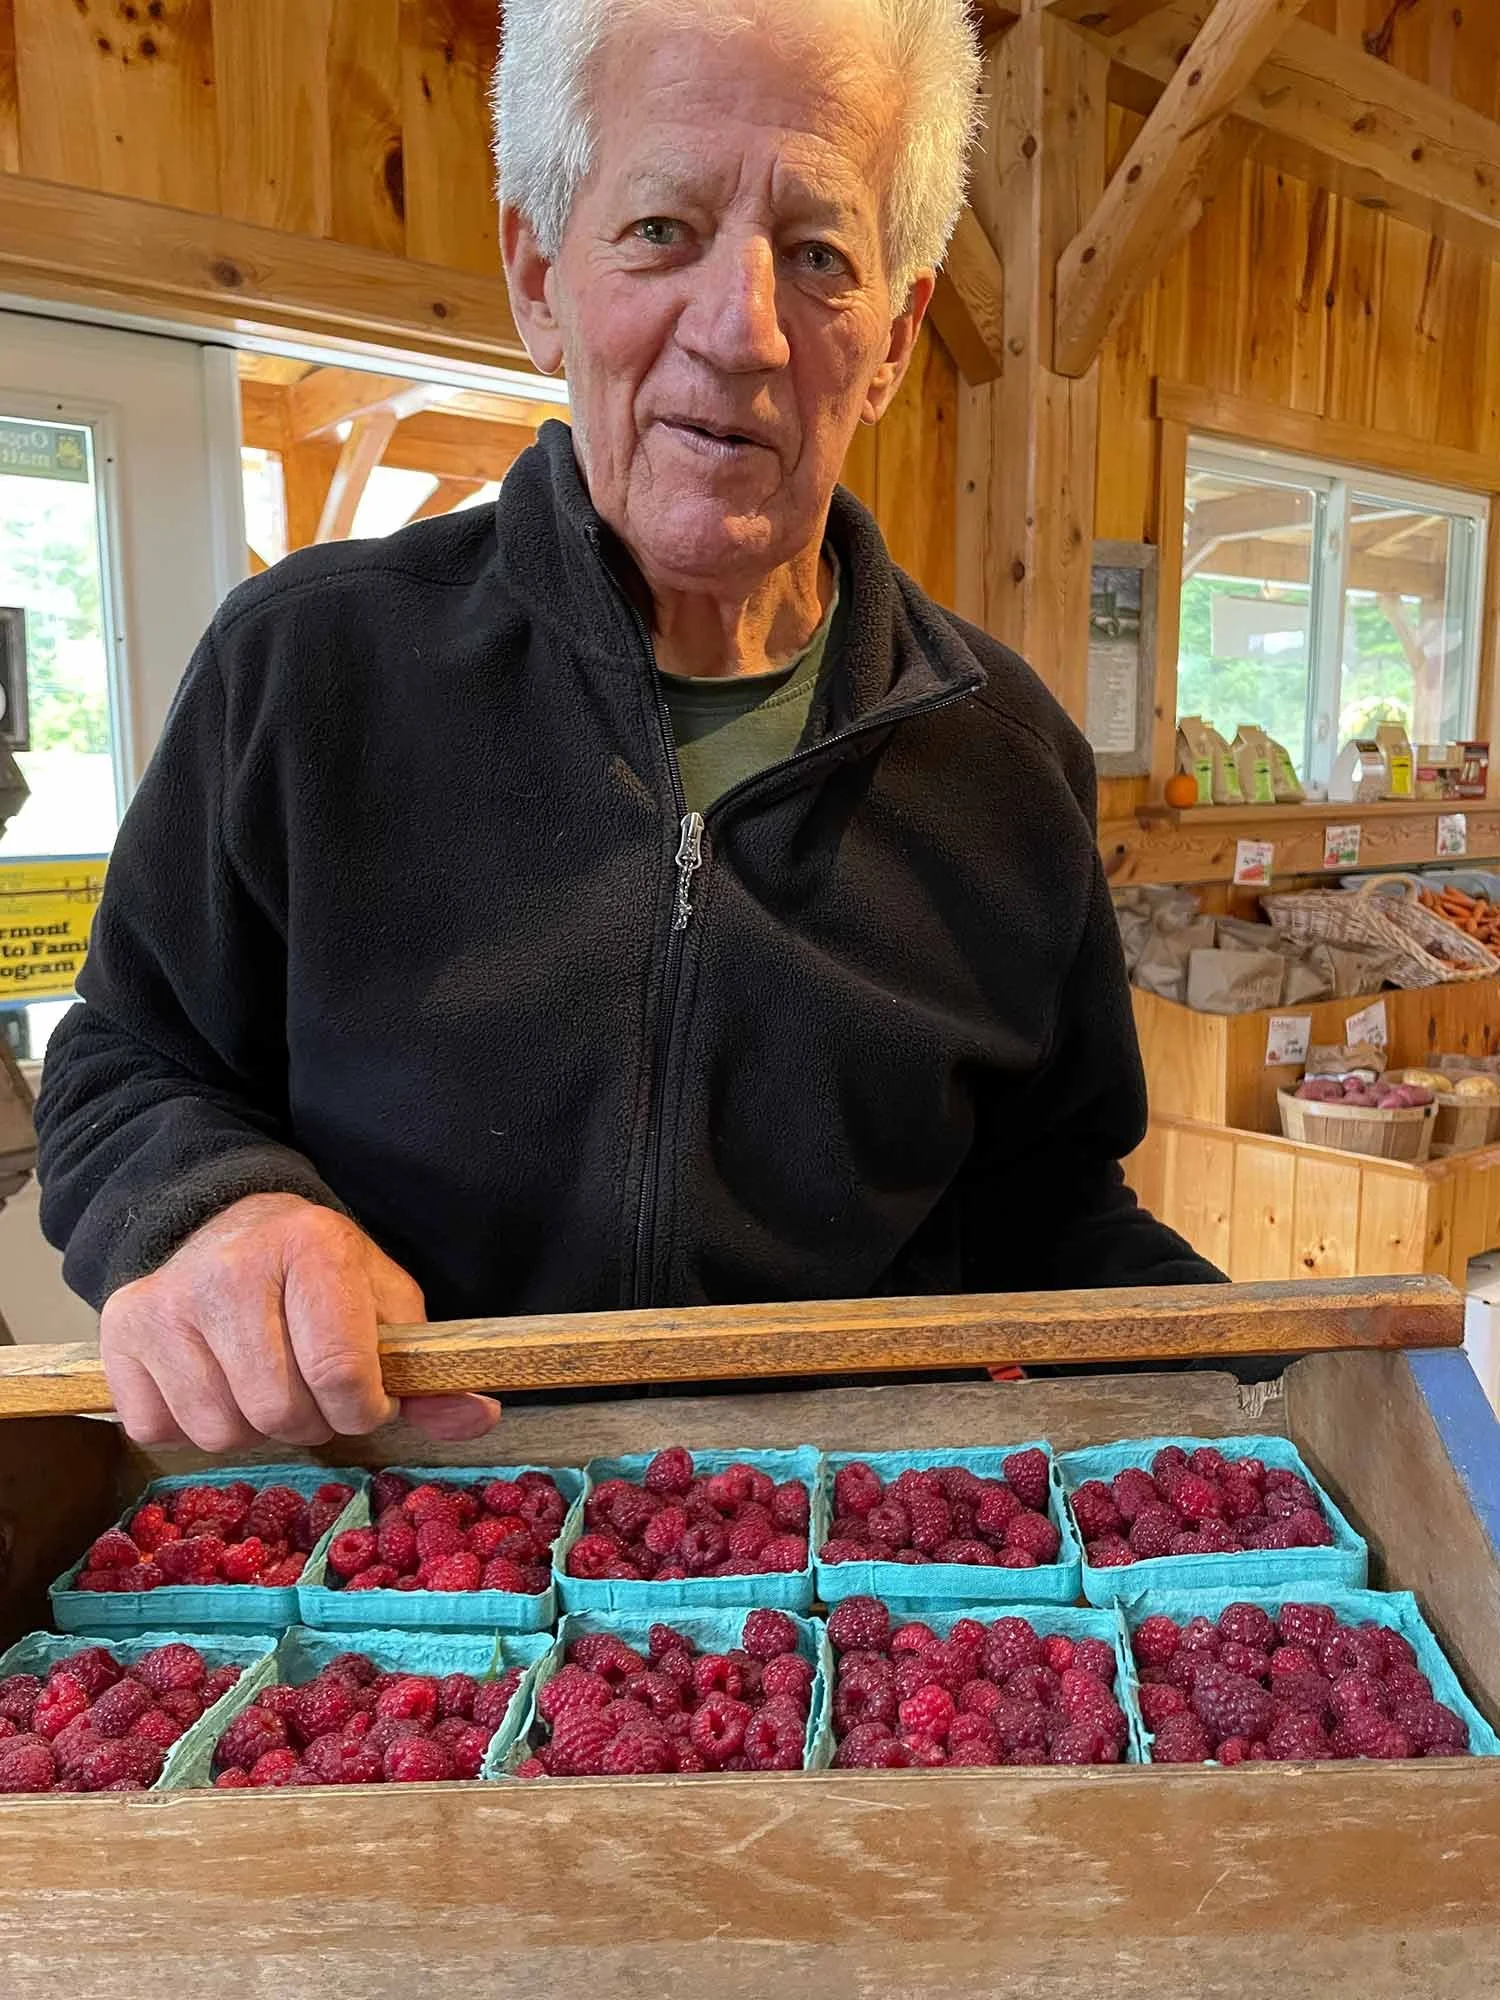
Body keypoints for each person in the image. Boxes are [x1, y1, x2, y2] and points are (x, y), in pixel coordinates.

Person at [33, 0, 1221, 1457]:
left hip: (845, 1593)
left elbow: (1051, 1204)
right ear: (541, 277)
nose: (741, 330)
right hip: (404, 1561)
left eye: (820, 254)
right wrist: (220, 1208)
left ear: (898, 337)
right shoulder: (305, 666)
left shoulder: (1006, 755)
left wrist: (1263, 1392)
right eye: (661, 229)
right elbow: (122, 1066)